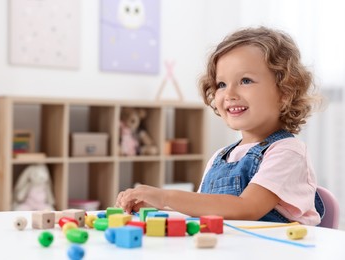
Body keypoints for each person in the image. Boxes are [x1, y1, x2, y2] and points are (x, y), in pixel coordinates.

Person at [115, 26, 324, 225]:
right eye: (221, 84)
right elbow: (205, 211)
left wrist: (165, 196)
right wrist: (157, 207)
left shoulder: (288, 152)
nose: (229, 94)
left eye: (245, 80)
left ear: (284, 93)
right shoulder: (220, 157)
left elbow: (247, 208)